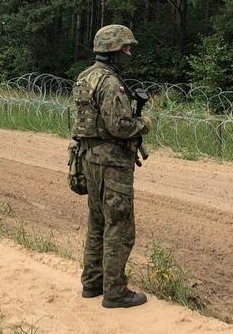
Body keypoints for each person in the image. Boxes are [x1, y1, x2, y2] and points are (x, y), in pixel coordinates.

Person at [72, 24, 152, 309]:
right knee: (119, 226)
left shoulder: (86, 77)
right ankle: (115, 292)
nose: (129, 53)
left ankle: (91, 284)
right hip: (111, 164)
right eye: (125, 48)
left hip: (88, 159)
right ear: (112, 51)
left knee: (97, 223)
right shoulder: (109, 82)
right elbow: (119, 125)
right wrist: (144, 123)